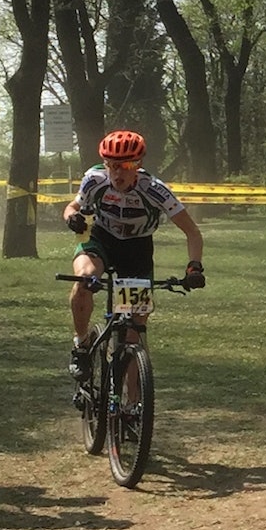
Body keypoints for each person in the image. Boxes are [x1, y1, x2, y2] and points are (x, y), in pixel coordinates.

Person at [61, 130, 205, 381]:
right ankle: (81, 344)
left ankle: (131, 406)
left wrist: (194, 267)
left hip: (137, 250)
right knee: (84, 280)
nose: (118, 173)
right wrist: (71, 217)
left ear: (138, 165)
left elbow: (192, 232)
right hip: (100, 240)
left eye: (126, 166)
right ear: (105, 165)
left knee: (133, 333)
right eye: (112, 166)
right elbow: (72, 207)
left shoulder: (156, 190)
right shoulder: (94, 180)